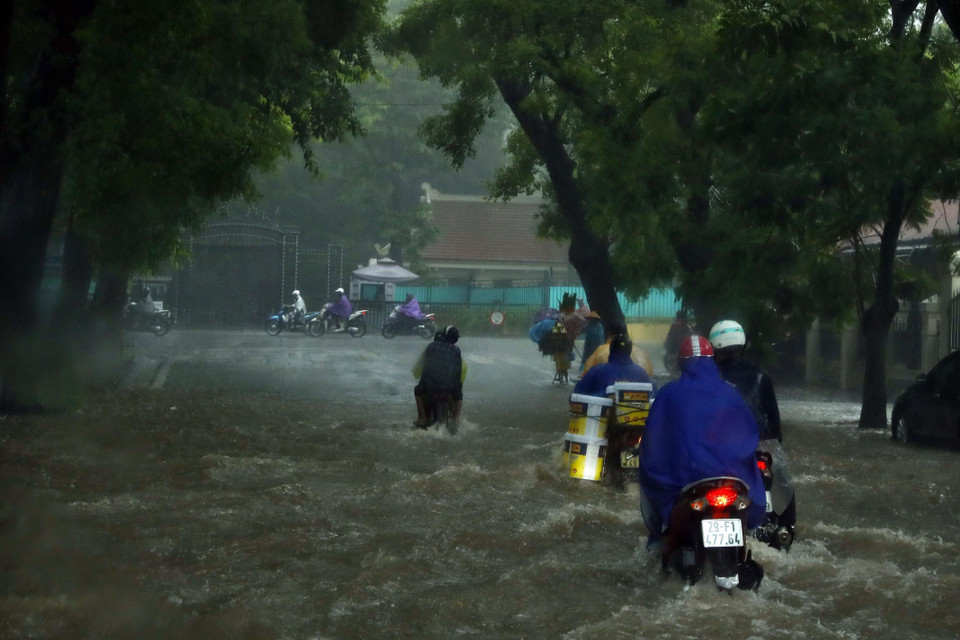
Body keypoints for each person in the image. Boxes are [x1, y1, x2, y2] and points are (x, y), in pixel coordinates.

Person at [638, 335, 765, 553]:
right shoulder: (729, 392)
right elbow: (750, 433)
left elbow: (653, 441)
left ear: (681, 363)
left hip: (686, 483)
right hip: (731, 480)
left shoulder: (669, 393)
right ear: (712, 361)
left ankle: (659, 538)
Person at [709, 319, 796, 548]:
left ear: (714, 349)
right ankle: (785, 530)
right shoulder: (761, 376)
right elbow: (775, 427)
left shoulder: (708, 379)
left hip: (719, 452)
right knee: (783, 484)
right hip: (760, 447)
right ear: (742, 345)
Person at [413, 325, 466, 426]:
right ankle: (455, 420)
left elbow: (425, 368)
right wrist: (457, 392)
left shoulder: (432, 346)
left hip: (431, 387)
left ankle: (422, 417)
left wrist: (422, 385)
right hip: (449, 388)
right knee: (459, 395)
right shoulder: (456, 350)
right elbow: (458, 373)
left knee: (417, 390)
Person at [574, 334, 653, 396]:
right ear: (629, 351)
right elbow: (653, 395)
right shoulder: (642, 373)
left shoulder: (596, 371)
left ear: (611, 349)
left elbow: (578, 393)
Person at [662, 310, 692, 374]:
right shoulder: (680, 324)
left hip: (672, 343)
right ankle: (678, 366)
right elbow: (679, 336)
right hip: (674, 344)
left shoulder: (677, 323)